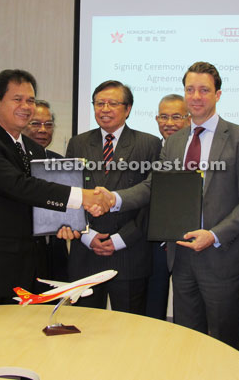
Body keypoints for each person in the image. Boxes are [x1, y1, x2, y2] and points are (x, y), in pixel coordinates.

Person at [110, 62, 239, 349]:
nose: (196, 96)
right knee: (187, 341)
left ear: (217, 94)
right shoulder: (175, 142)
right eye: (190, 89)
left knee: (222, 343)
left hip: (221, 256)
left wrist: (215, 234)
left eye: (204, 90)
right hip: (181, 259)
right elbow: (153, 186)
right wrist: (115, 199)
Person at [0, 69, 108, 305]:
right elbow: (21, 187)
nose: (26, 106)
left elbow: (41, 204)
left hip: (31, 271)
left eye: (30, 100)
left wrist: (67, 223)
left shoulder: (34, 149)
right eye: (17, 99)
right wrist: (81, 197)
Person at [64, 80, 161, 315]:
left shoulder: (148, 144)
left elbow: (153, 199)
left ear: (128, 109)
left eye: (112, 103)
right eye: (99, 103)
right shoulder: (78, 143)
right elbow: (69, 193)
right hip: (86, 253)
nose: (105, 109)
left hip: (129, 253)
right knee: (84, 329)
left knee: (128, 333)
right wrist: (87, 236)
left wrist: (120, 239)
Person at [146, 94, 190, 320]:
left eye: (176, 117)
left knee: (187, 315)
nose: (169, 123)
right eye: (163, 117)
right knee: (152, 312)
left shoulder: (197, 151)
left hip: (188, 244)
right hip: (153, 246)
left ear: (189, 119)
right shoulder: (147, 149)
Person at [22, 99, 68, 281]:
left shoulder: (60, 163)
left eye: (48, 125)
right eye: (35, 124)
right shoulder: (10, 162)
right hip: (22, 255)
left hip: (55, 254)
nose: (43, 130)